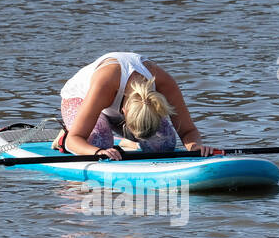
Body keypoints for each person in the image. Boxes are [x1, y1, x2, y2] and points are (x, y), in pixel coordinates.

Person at [52, 52, 208, 160]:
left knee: (164, 144)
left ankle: (123, 141)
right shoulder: (105, 83)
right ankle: (63, 137)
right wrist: (98, 152)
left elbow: (188, 130)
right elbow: (75, 140)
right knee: (99, 142)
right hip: (80, 98)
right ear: (124, 113)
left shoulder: (164, 83)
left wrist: (195, 147)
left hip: (116, 107)